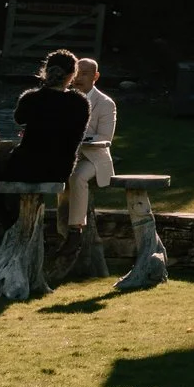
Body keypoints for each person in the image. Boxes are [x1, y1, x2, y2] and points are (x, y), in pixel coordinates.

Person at [0, 50, 90, 242]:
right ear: (71, 74)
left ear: (45, 71)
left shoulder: (32, 98)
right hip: (60, 167)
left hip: (27, 164)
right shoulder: (80, 102)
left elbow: (19, 119)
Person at [59, 56, 116, 258]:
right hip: (69, 155)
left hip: (94, 158)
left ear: (96, 76)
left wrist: (78, 138)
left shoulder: (105, 103)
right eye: (77, 73)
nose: (79, 78)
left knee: (77, 177)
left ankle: (75, 230)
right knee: (60, 176)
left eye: (85, 74)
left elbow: (105, 137)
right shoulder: (65, 98)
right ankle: (61, 231)